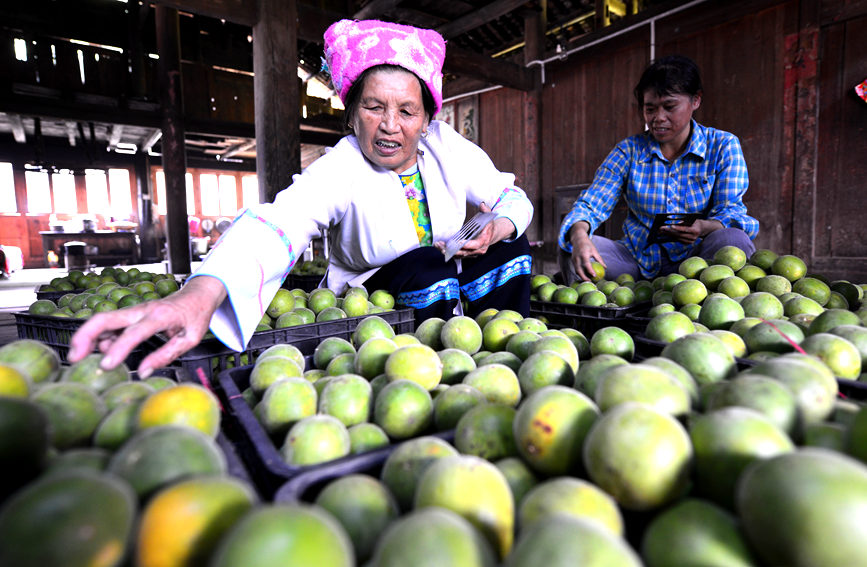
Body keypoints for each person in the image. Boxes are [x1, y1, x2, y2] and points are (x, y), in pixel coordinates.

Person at [69, 19, 534, 377]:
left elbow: (513, 198)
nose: (390, 124)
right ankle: (430, 366)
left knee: (513, 247)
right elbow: (281, 221)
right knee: (426, 267)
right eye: (374, 107)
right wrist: (202, 291)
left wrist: (499, 225)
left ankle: (512, 348)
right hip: (375, 300)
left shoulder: (447, 146)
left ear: (426, 120)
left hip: (449, 276)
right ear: (352, 115)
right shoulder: (343, 166)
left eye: (406, 111)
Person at [559, 54, 758, 283]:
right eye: (650, 109)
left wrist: (703, 226)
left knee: (734, 241)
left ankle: (705, 314)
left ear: (696, 100)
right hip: (635, 261)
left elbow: (731, 211)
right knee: (574, 247)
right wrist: (579, 235)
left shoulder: (722, 146)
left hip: (698, 263)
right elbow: (592, 203)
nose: (658, 118)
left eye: (669, 107)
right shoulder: (629, 151)